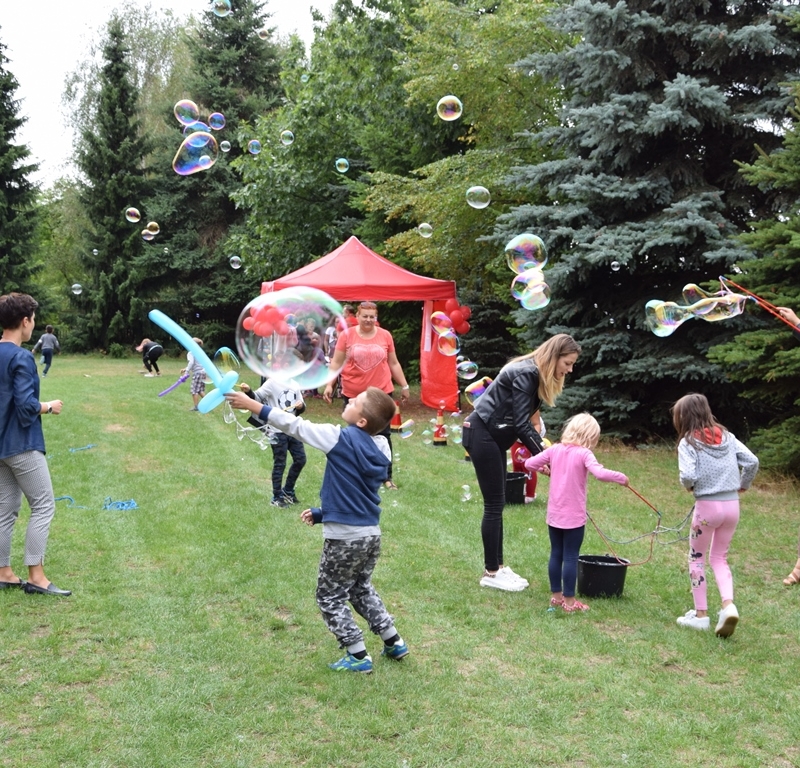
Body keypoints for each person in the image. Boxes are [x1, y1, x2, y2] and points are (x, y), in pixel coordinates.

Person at [226, 385, 408, 674]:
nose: (349, 399)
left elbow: (294, 425)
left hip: (344, 539)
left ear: (361, 421)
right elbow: (357, 493)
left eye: (356, 401)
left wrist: (252, 404)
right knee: (360, 588)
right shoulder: (381, 448)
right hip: (370, 534)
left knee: (330, 595)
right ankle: (393, 640)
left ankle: (357, 654)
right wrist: (324, 513)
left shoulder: (339, 438)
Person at [462, 334, 580, 592]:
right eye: (568, 363)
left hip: (489, 435)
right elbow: (520, 423)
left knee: (498, 502)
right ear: (555, 356)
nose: (569, 370)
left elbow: (521, 421)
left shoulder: (532, 372)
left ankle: (499, 567)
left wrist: (544, 455)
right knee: (494, 504)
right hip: (482, 434)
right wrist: (546, 456)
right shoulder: (527, 373)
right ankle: (492, 572)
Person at [670, 393, 759, 637]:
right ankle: (728, 606)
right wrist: (743, 485)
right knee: (719, 557)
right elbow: (752, 461)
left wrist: (690, 486)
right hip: (732, 505)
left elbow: (687, 475)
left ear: (684, 417)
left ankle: (701, 616)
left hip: (707, 508)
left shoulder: (688, 442)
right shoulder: (728, 437)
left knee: (696, 558)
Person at [0, 293, 70, 596]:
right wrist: (48, 405)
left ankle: (4, 572)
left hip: (1, 448)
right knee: (43, 505)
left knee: (6, 508)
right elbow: (26, 406)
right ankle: (36, 576)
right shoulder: (21, 357)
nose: (33, 325)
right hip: (21, 444)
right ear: (25, 321)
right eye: (33, 319)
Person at [524, 413, 628, 612]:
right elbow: (600, 473)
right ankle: (570, 603)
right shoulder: (584, 454)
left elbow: (529, 464)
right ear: (589, 437)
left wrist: (545, 468)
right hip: (573, 518)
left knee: (556, 554)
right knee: (571, 556)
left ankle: (556, 597)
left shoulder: (555, 449)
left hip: (554, 516)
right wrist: (622, 478)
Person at [323, 301, 410, 490]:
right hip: (354, 395)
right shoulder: (347, 335)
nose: (368, 320)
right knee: (355, 435)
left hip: (381, 393)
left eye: (372, 316)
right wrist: (330, 384)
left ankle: (386, 477)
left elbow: (393, 363)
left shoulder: (385, 335)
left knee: (384, 436)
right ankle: (356, 473)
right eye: (365, 316)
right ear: (358, 316)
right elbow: (336, 362)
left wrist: (404, 385)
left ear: (376, 318)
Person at [239, 379, 307, 508]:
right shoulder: (272, 383)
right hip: (276, 430)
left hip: (292, 428)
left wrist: (300, 406)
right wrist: (248, 391)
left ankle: (288, 491)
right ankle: (276, 497)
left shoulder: (295, 384)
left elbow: (302, 406)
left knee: (301, 460)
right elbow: (257, 399)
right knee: (280, 463)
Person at [510, 412, 545, 503]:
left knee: (527, 465)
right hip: (517, 435)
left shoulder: (530, 403)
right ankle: (518, 492)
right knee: (516, 463)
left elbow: (536, 425)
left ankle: (530, 495)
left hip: (532, 434)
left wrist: (529, 443)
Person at [180, 337, 205, 411]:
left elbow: (191, 363)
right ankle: (209, 403)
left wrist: (187, 371)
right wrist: (185, 369)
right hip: (203, 373)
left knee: (194, 390)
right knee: (200, 390)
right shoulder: (200, 352)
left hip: (197, 373)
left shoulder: (191, 353)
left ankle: (196, 407)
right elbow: (197, 363)